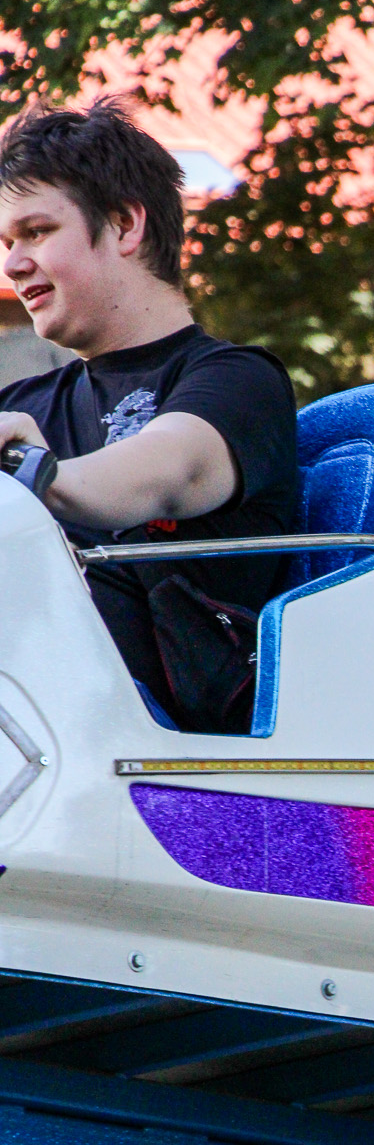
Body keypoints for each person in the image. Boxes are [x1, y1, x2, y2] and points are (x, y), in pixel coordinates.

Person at [0, 98, 297, 732]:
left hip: (151, 751)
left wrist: (44, 476)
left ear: (124, 225)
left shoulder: (238, 381)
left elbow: (169, 471)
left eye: (37, 231)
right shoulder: (20, 406)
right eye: (6, 242)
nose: (12, 264)